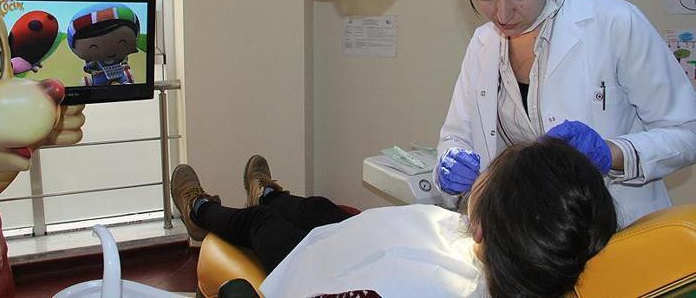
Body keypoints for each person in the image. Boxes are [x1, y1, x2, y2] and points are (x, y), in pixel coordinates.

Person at [434, 0, 696, 227]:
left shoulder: (616, 24)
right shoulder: (482, 45)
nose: (502, 14)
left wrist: (612, 152)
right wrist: (451, 164)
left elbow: (688, 133)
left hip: (620, 228)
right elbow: (458, 136)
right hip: (524, 235)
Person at [172, 138, 617, 298]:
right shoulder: (523, 260)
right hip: (359, 240)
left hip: (333, 266)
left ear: (481, 227)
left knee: (262, 227)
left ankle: (199, 211)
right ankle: (269, 195)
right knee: (319, 209)